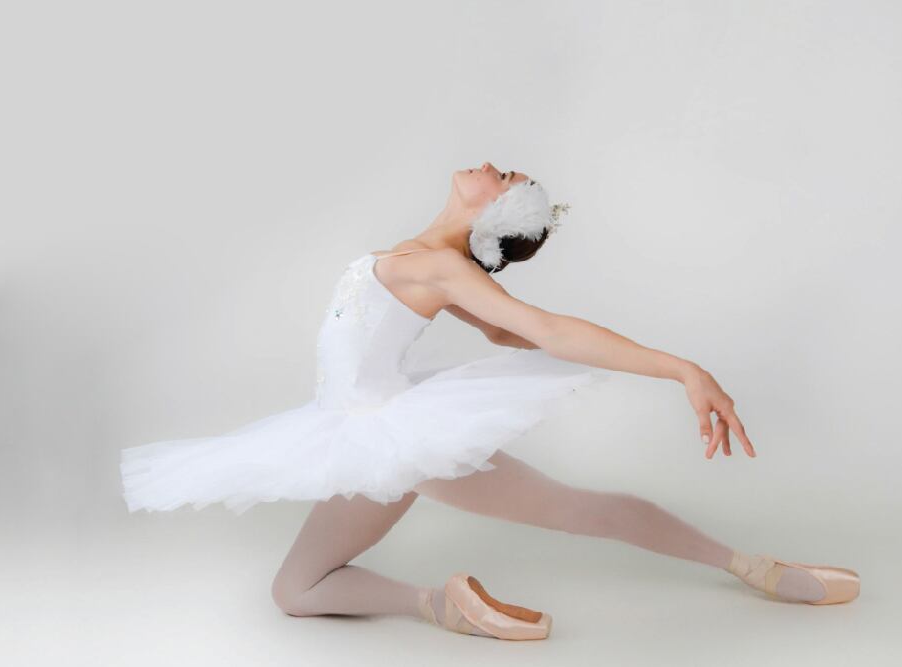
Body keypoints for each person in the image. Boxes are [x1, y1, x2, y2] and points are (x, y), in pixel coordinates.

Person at [120, 161, 860, 640]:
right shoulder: (428, 263)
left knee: (579, 510)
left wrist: (680, 369)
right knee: (295, 589)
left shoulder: (439, 269)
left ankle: (754, 568)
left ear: (495, 211)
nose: (491, 165)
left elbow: (545, 329)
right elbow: (508, 332)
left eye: (503, 176)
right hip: (355, 435)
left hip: (391, 434)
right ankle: (443, 604)